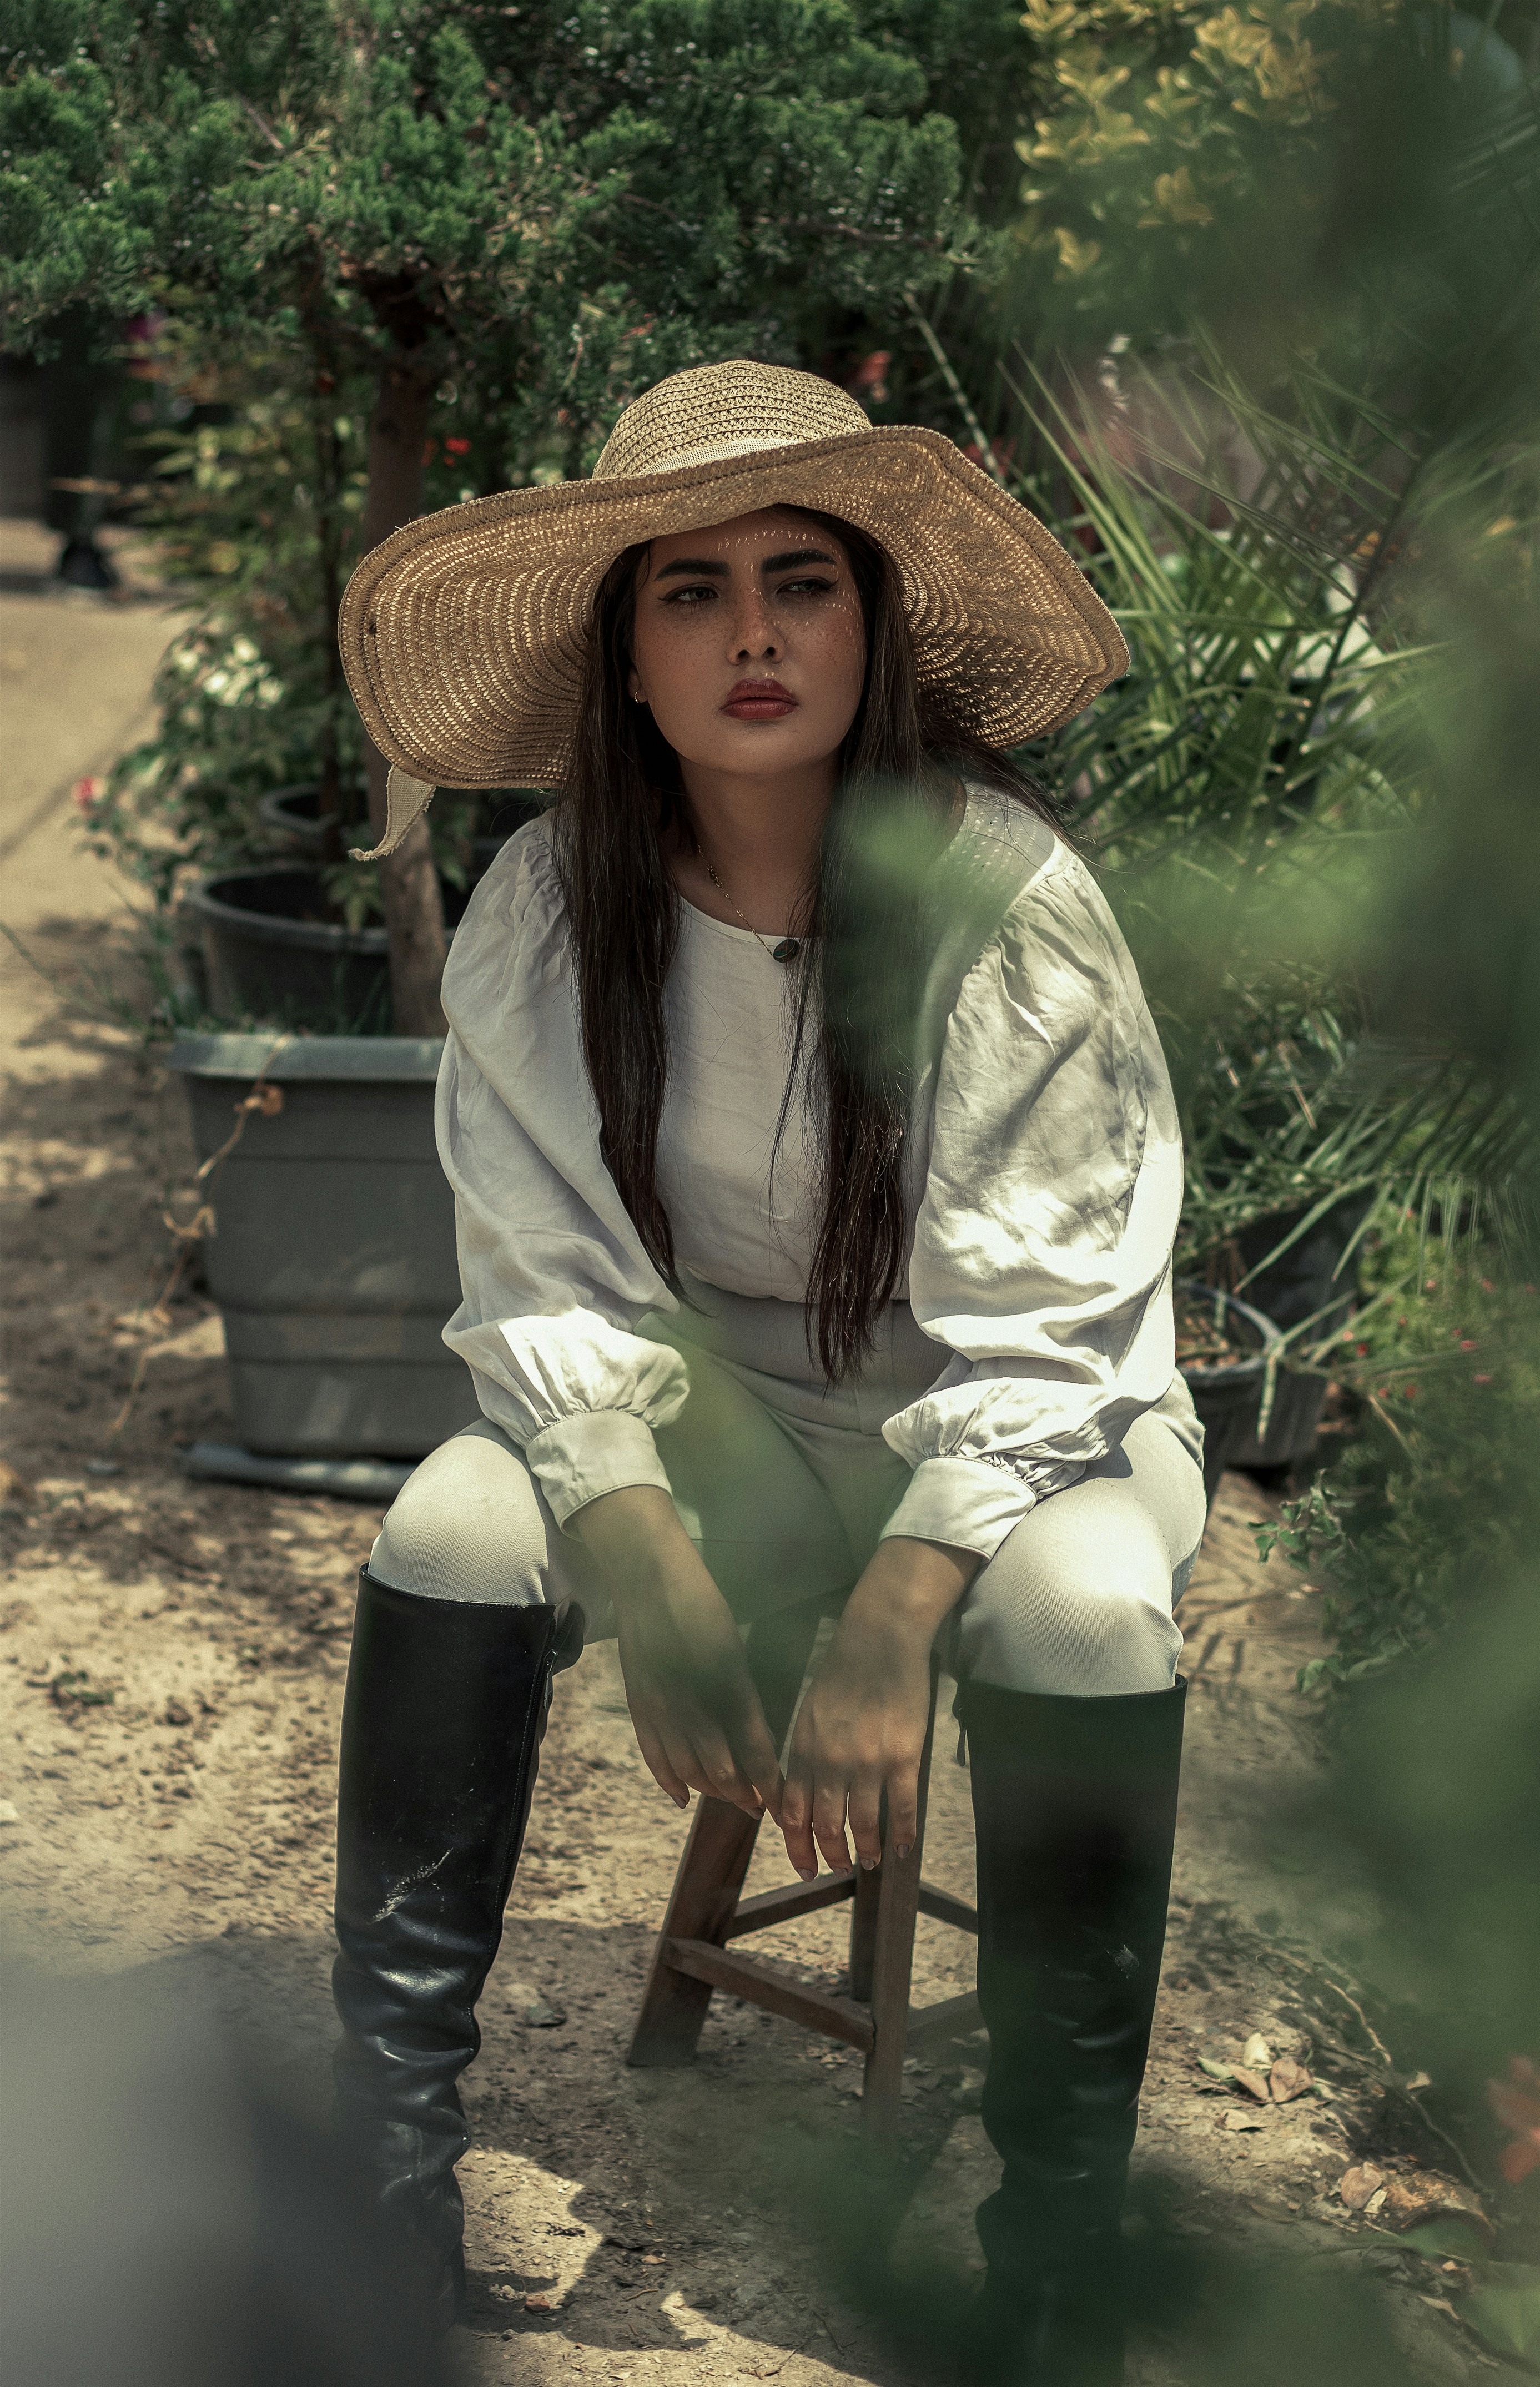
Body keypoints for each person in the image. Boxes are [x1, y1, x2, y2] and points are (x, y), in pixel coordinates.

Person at [330, 360, 1207, 2384]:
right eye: (692, 590)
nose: (751, 633)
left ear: (872, 627)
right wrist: (637, 1551)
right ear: (624, 657)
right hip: (721, 1422)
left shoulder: (1000, 897)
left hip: (1034, 1426)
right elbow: (542, 1275)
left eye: (801, 580)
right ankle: (384, 2201)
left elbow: (1059, 1322)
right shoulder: (553, 902)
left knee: (1079, 1604)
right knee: (454, 1516)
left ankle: (1054, 2274)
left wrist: (904, 1607)